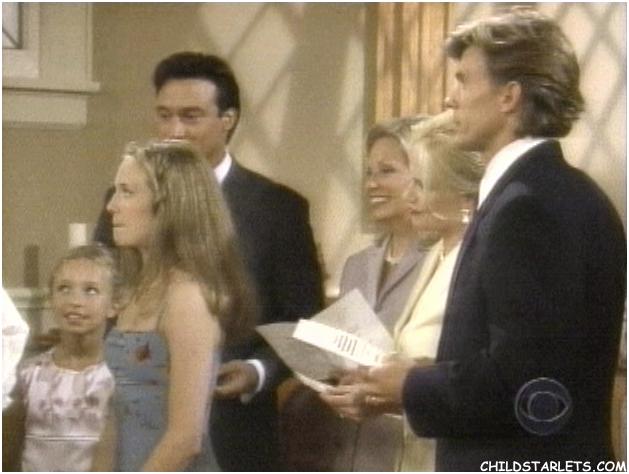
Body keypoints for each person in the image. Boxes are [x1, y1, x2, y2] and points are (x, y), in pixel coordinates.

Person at [352, 8, 626, 470]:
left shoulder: (527, 207)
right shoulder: (562, 193)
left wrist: (410, 386)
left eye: (463, 80)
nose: (449, 98)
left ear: (509, 97)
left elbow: (524, 380)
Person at [93, 52, 324, 471]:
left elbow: (306, 321)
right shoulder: (125, 205)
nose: (174, 131)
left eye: (190, 116)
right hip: (134, 428)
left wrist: (258, 370)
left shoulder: (277, 208)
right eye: (164, 115)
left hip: (233, 431)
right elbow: (108, 297)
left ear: (227, 120)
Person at [320, 112, 483, 471]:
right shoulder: (437, 256)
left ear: (463, 195)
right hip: (383, 447)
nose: (411, 196)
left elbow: (470, 380)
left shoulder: (472, 264)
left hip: (442, 452)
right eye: (369, 172)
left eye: (420, 183)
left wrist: (393, 387)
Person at [95, 140, 256, 471]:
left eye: (127, 192)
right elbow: (114, 414)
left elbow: (186, 438)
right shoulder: (138, 290)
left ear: (169, 206)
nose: (111, 206)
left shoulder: (188, 298)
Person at [283, 116, 429, 471]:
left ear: (423, 177)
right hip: (349, 447)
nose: (371, 184)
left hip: (411, 447)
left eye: (387, 171)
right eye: (368, 173)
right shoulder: (358, 265)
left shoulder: (442, 261)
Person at [8, 245, 118, 471]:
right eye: (64, 289)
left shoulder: (118, 376)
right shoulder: (28, 375)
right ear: (50, 298)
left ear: (114, 304)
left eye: (91, 291)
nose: (75, 301)